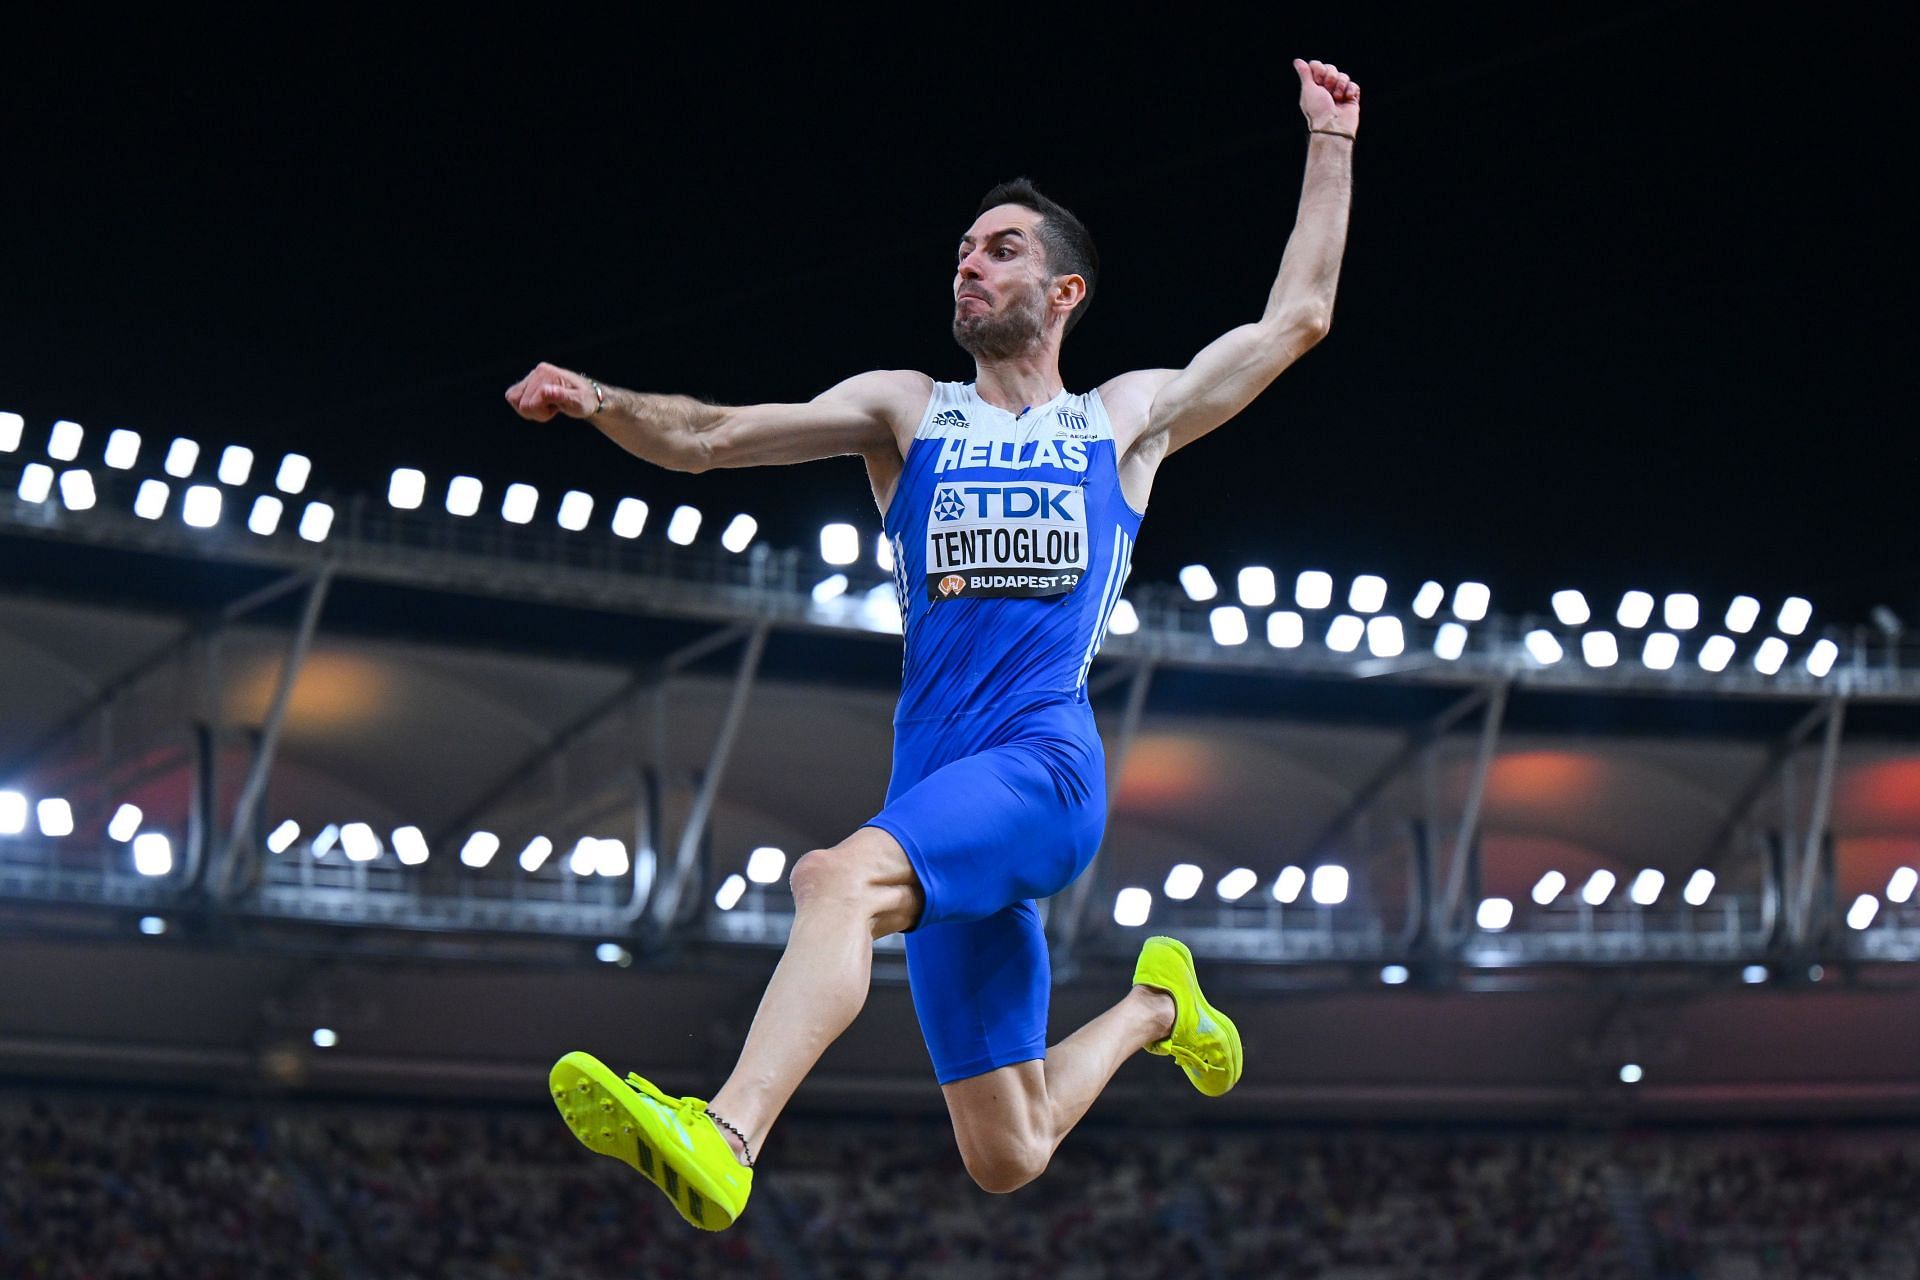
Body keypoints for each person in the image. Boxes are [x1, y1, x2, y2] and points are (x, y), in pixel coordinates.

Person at [506, 57, 1359, 1231]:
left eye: (1000, 247)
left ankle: (727, 1128)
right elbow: (708, 438)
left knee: (832, 878)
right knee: (1007, 1149)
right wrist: (600, 399)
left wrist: (1333, 143)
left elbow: (1296, 318)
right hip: (936, 778)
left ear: (1063, 292)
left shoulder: (1120, 421)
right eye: (963, 247)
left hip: (1041, 767)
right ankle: (1162, 1009)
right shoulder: (906, 412)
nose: (969, 261)